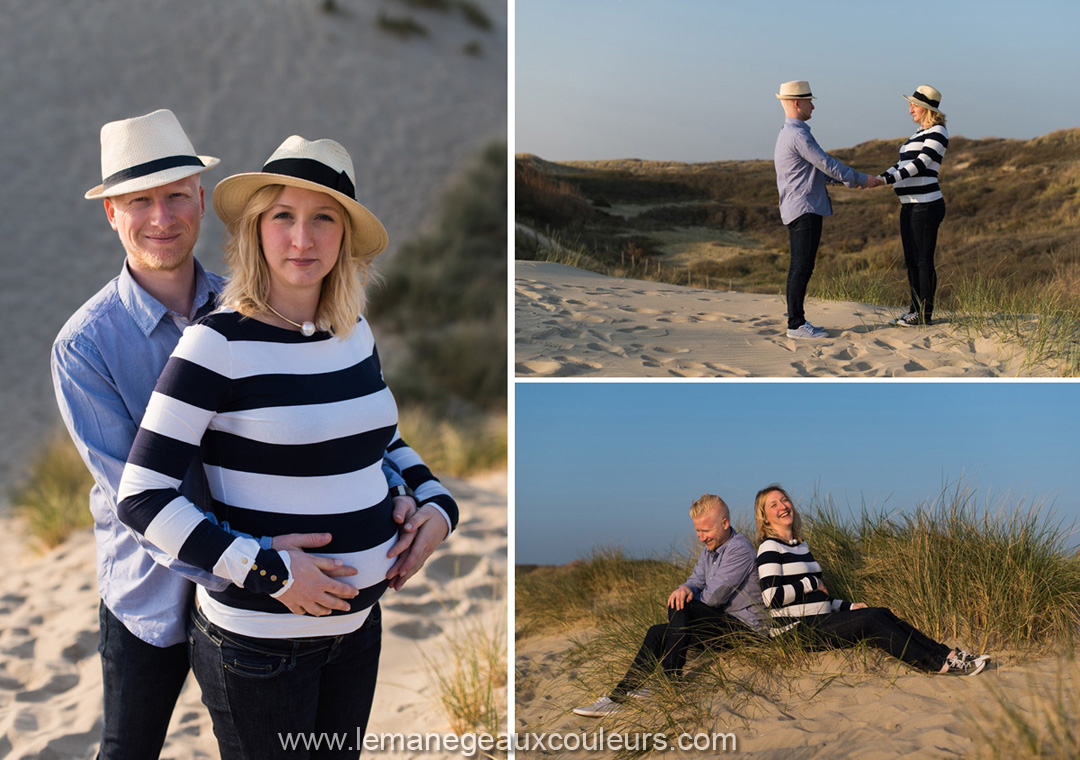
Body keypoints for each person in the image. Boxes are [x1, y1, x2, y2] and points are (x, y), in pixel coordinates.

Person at [51, 110, 425, 759]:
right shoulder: (87, 346)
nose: (162, 218)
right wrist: (259, 564)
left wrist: (404, 492)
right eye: (139, 202)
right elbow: (132, 492)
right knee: (127, 749)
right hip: (157, 587)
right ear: (112, 212)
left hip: (301, 604)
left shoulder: (265, 302)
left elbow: (338, 423)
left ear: (201, 200)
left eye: (175, 196)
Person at [753, 484, 988, 675]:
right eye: (773, 505)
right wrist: (812, 583)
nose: (783, 506)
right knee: (872, 620)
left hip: (820, 619)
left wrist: (848, 606)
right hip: (794, 632)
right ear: (764, 518)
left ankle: (946, 653)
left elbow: (819, 597)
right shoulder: (769, 547)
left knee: (881, 612)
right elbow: (772, 598)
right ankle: (934, 664)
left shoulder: (801, 546)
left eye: (784, 500)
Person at [573, 494, 768, 717]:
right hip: (722, 625)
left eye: (706, 530)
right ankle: (617, 698)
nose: (701, 537)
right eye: (697, 531)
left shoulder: (739, 549)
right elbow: (696, 580)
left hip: (748, 631)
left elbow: (713, 598)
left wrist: (684, 601)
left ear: (724, 524)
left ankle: (670, 681)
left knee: (680, 606)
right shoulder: (710, 550)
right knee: (657, 631)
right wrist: (684, 588)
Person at [773, 80, 883, 340]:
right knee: (801, 267)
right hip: (805, 208)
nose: (813, 106)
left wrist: (846, 181)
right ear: (798, 103)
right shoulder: (798, 135)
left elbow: (815, 171)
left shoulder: (789, 133)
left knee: (800, 266)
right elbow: (826, 163)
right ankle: (796, 324)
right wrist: (859, 179)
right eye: (810, 101)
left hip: (800, 206)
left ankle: (797, 322)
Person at [876, 85, 949, 327]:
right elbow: (899, 165)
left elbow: (920, 163)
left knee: (923, 260)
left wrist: (888, 180)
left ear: (927, 108)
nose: (910, 110)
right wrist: (876, 179)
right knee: (911, 260)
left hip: (926, 205)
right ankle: (913, 309)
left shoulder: (938, 133)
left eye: (914, 106)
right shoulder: (916, 136)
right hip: (908, 206)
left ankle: (924, 314)